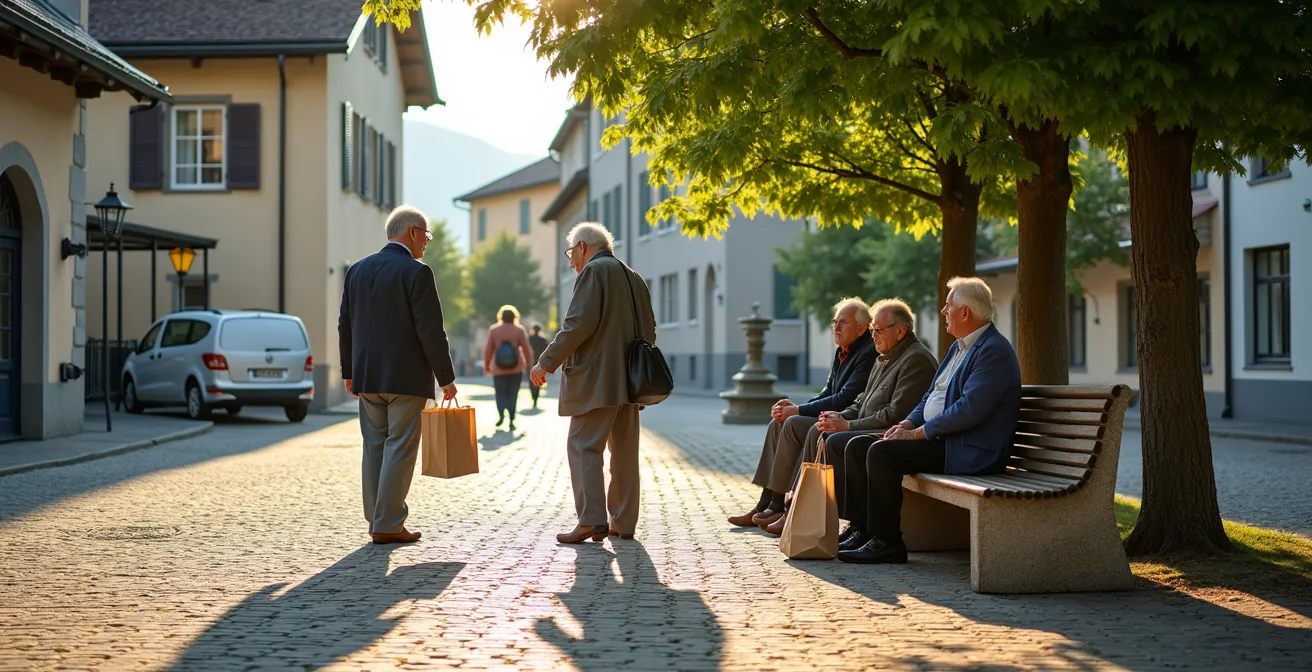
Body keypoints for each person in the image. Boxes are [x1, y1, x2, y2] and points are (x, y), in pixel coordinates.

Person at [837, 277, 1022, 564]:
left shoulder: (992, 351)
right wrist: (908, 425)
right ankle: (863, 529)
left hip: (969, 449)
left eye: (949, 306)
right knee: (858, 446)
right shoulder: (959, 348)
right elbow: (929, 396)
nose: (943, 311)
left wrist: (919, 433)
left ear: (965, 312)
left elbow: (969, 409)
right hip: (945, 441)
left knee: (881, 453)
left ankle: (888, 542)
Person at [530, 222, 656, 544]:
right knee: (625, 453)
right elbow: (650, 331)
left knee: (583, 446)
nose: (571, 261)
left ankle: (591, 520)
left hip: (596, 379)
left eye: (571, 253)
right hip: (630, 381)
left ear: (584, 247)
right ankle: (623, 523)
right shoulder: (634, 277)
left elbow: (577, 325)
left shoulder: (593, 272)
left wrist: (545, 362)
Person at [338, 205, 457, 545]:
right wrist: (445, 377)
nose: (427, 244)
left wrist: (349, 371)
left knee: (374, 446)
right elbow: (431, 330)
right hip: (406, 379)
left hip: (367, 377)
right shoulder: (417, 272)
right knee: (400, 447)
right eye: (426, 236)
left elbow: (345, 324)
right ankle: (388, 523)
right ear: (413, 233)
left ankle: (377, 518)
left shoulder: (356, 271)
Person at [728, 298, 877, 530]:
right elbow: (828, 391)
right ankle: (764, 504)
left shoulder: (868, 353)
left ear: (861, 327)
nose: (836, 328)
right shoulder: (843, 350)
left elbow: (844, 398)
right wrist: (795, 407)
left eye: (843, 323)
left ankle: (779, 505)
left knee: (791, 422)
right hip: (830, 414)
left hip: (844, 418)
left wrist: (796, 411)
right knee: (778, 423)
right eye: (835, 322)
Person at [483, 305, 535, 431]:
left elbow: (488, 350)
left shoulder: (494, 330)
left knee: (500, 393)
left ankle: (501, 414)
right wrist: (529, 365)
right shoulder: (519, 330)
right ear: (514, 317)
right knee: (513, 393)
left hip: (498, 369)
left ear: (501, 316)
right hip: (516, 369)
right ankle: (511, 419)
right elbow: (527, 350)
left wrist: (487, 365)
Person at [527, 325, 550, 409]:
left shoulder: (529, 339)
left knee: (531, 381)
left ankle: (533, 396)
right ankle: (535, 399)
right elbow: (547, 352)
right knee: (538, 381)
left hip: (530, 363)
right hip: (540, 363)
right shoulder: (543, 340)